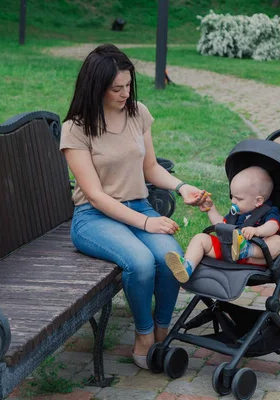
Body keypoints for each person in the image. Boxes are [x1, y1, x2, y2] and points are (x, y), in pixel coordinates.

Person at [59, 44, 207, 369]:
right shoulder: (76, 128)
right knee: (139, 262)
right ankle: (143, 335)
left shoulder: (137, 112)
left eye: (128, 85)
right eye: (117, 88)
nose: (125, 93)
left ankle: (162, 331)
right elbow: (96, 196)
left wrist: (182, 188)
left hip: (139, 205)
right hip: (94, 218)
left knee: (172, 261)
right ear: (96, 87)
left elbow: (151, 168)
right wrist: (145, 223)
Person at [165, 166, 280, 283]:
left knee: (278, 241)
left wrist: (257, 231)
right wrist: (211, 209)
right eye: (232, 196)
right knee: (200, 238)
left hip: (256, 258)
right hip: (229, 252)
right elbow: (221, 225)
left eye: (239, 199)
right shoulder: (237, 213)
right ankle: (187, 266)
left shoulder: (269, 211)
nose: (233, 201)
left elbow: (273, 226)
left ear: (258, 201)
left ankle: (246, 249)